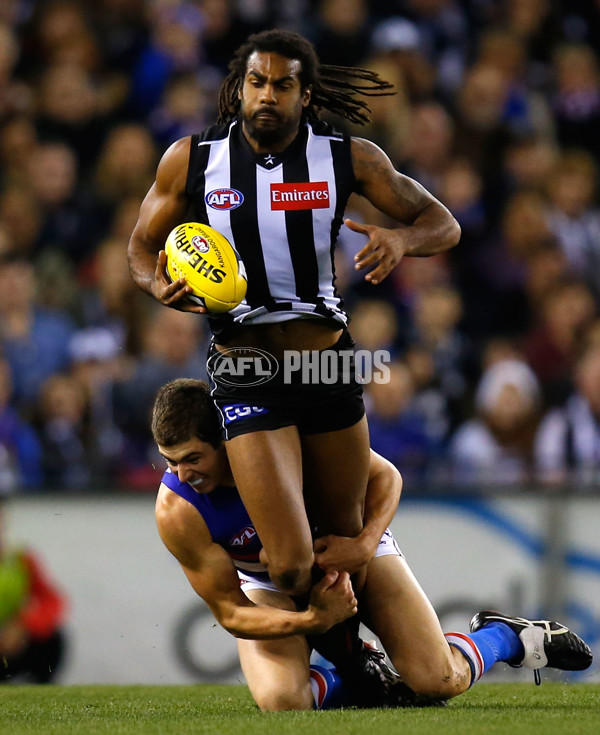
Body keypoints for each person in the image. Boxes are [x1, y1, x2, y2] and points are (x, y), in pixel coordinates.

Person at [128, 29, 461, 597]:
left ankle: (352, 661)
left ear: (305, 95)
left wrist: (402, 240)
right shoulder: (192, 159)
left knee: (345, 540)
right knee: (286, 563)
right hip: (244, 367)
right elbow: (139, 248)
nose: (268, 95)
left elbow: (443, 224)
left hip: (326, 366)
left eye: (284, 85)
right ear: (238, 89)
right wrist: (155, 283)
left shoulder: (346, 156)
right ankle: (332, 655)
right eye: (257, 82)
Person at [151, 379, 592, 711]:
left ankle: (505, 636)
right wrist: (311, 618)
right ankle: (364, 678)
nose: (183, 474)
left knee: (438, 680)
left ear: (225, 440)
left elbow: (386, 476)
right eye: (171, 462)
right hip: (267, 584)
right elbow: (230, 612)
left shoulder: (280, 442)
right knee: (282, 701)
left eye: (193, 458)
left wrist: (363, 545)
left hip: (350, 549)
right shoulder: (178, 510)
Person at [0, 500, 68, 683]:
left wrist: (24, 624)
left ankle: (40, 686)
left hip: (10, 638)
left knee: (54, 638)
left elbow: (52, 600)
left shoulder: (19, 558)